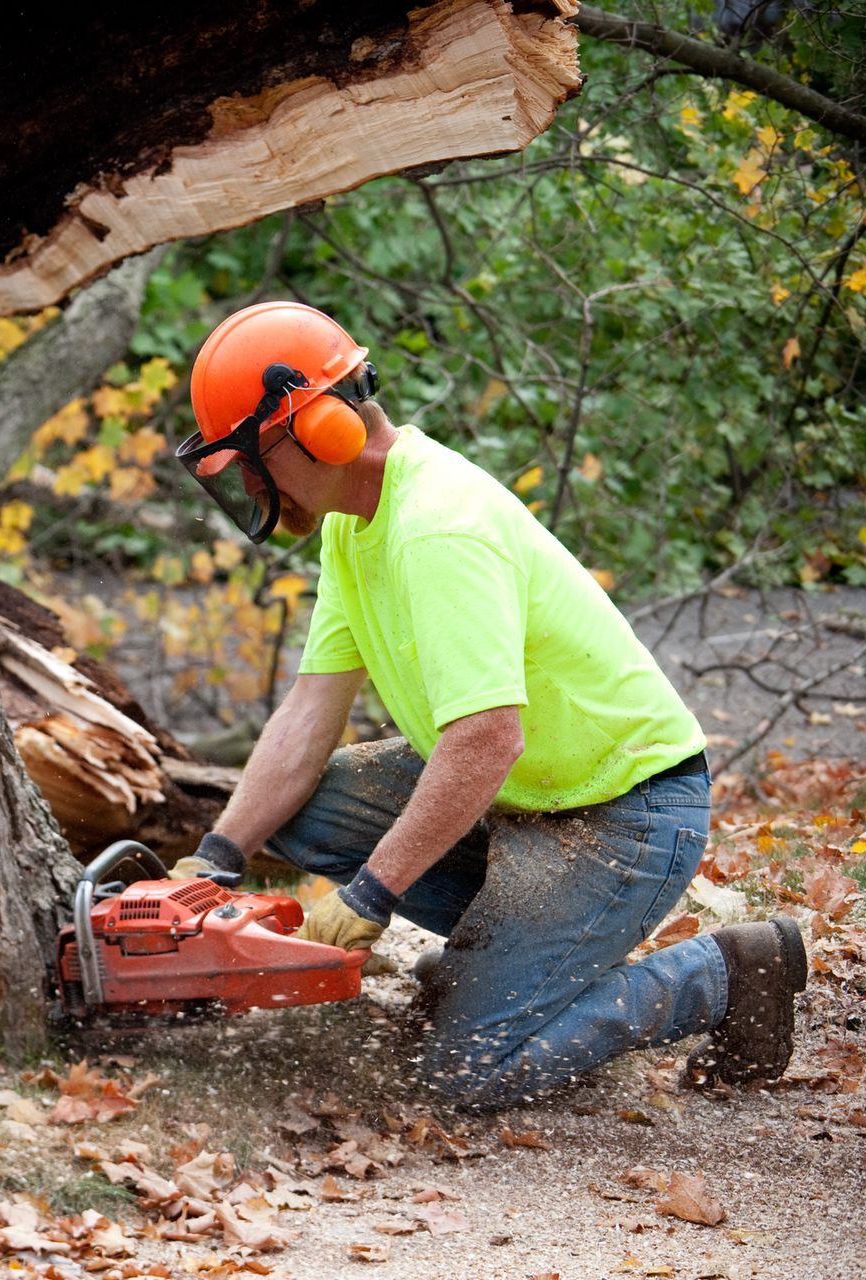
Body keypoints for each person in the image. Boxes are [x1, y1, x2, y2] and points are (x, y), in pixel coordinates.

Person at [167, 301, 805, 1108]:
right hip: (522, 796)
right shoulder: (350, 522)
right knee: (307, 810)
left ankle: (724, 974)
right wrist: (216, 856)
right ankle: (509, 959)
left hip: (623, 814)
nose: (253, 487)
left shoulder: (437, 528)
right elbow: (307, 714)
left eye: (254, 461)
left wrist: (371, 893)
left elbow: (486, 740)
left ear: (322, 430)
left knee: (463, 1073)